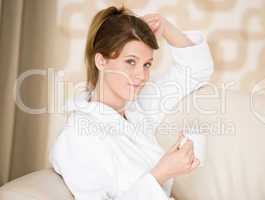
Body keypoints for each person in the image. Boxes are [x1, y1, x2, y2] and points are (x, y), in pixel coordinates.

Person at [49, 5, 214, 200]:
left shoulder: (137, 107)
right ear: (101, 62)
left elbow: (197, 70)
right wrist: (161, 173)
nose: (141, 75)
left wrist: (166, 26)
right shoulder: (76, 137)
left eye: (147, 64)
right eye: (131, 62)